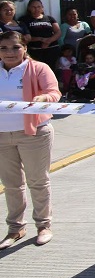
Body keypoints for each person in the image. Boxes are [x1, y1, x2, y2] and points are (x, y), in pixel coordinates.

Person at [0, 31, 60, 250]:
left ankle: (44, 225)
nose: (9, 52)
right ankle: (15, 228)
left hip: (34, 133)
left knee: (38, 181)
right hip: (2, 136)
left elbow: (54, 93)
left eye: (15, 47)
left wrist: (43, 98)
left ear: (25, 48)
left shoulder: (38, 68)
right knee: (11, 185)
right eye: (4, 48)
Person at [20, 0, 61, 69]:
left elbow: (58, 32)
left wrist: (49, 41)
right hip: (35, 50)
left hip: (52, 49)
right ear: (29, 8)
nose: (36, 9)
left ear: (42, 8)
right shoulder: (24, 19)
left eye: (39, 7)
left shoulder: (49, 18)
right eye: (33, 7)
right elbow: (23, 36)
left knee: (51, 69)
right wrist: (41, 39)